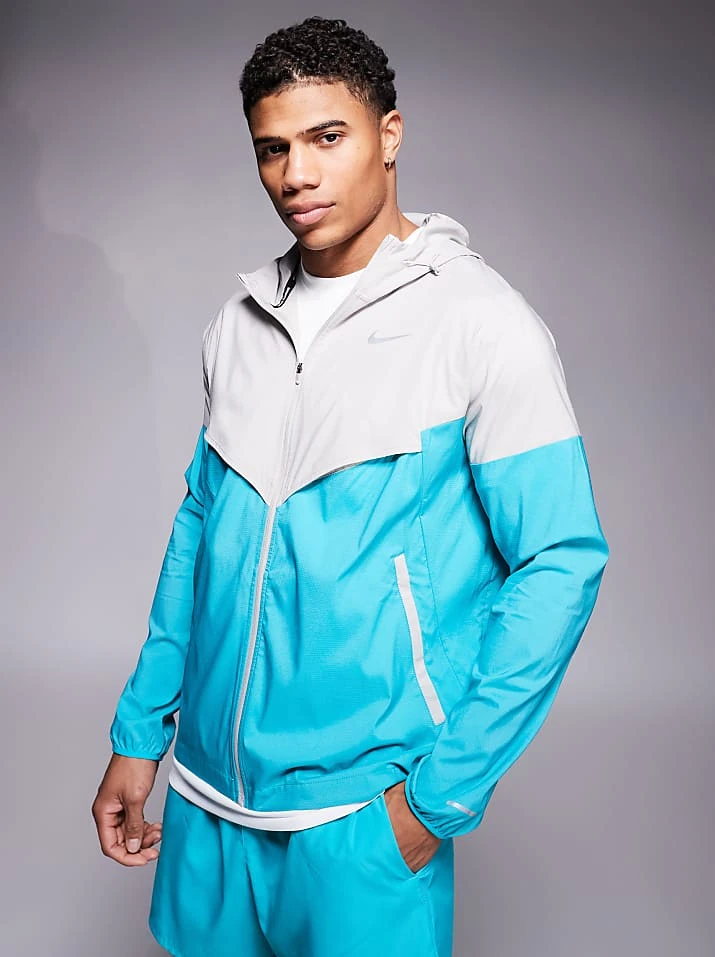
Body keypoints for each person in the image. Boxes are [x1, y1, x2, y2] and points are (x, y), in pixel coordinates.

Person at [91, 15, 609, 957]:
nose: (297, 174)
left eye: (327, 137)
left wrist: (438, 798)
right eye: (273, 148)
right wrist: (140, 731)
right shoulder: (239, 324)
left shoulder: (482, 325)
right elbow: (199, 530)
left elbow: (562, 562)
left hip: (361, 815)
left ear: (389, 134)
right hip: (205, 794)